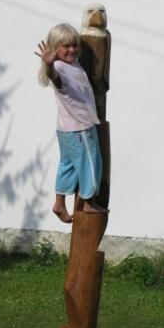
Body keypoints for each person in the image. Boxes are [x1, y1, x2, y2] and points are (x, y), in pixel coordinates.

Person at [34, 23, 108, 223]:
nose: (72, 50)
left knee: (67, 166)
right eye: (65, 46)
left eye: (75, 45)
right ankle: (88, 202)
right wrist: (49, 65)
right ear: (54, 48)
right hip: (79, 129)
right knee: (91, 165)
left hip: (66, 129)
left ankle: (59, 203)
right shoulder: (58, 67)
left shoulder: (73, 64)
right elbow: (56, 80)